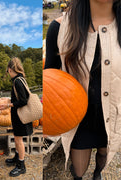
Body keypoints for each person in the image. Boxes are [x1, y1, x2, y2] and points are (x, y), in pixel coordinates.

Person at [44, 0, 121, 179]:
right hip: (76, 115)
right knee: (78, 168)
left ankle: (97, 173)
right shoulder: (59, 28)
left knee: (104, 153)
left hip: (111, 112)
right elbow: (50, 76)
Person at [0, 57, 33, 177]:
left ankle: (21, 166)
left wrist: (8, 104)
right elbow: (19, 98)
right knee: (17, 138)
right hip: (17, 116)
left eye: (7, 71)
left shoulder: (17, 81)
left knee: (18, 140)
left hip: (20, 116)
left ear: (9, 69)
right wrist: (9, 101)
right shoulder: (19, 79)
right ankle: (17, 158)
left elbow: (23, 101)